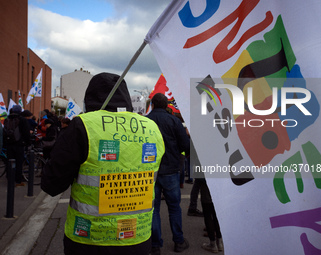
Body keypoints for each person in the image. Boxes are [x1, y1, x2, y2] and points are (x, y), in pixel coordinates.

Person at [41, 72, 165, 255]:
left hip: (89, 239)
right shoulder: (151, 128)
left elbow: (51, 184)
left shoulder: (82, 126)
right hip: (138, 239)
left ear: (90, 97)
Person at [146, 93, 190, 254]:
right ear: (166, 105)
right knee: (174, 208)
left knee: (154, 209)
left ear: (152, 104)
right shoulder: (174, 121)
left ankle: (155, 245)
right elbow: (185, 145)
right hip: (171, 170)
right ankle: (178, 241)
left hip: (151, 172)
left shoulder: (145, 121)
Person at [3, 105, 30, 186]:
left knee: (10, 161)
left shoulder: (7, 119)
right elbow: (26, 133)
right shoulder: (22, 120)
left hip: (9, 144)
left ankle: (9, 177)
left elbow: (5, 132)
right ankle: (18, 180)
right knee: (19, 162)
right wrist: (27, 143)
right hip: (19, 144)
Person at [200, 179, 223, 253]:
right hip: (219, 186)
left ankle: (212, 244)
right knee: (216, 215)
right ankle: (219, 242)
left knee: (208, 215)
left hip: (207, 185)